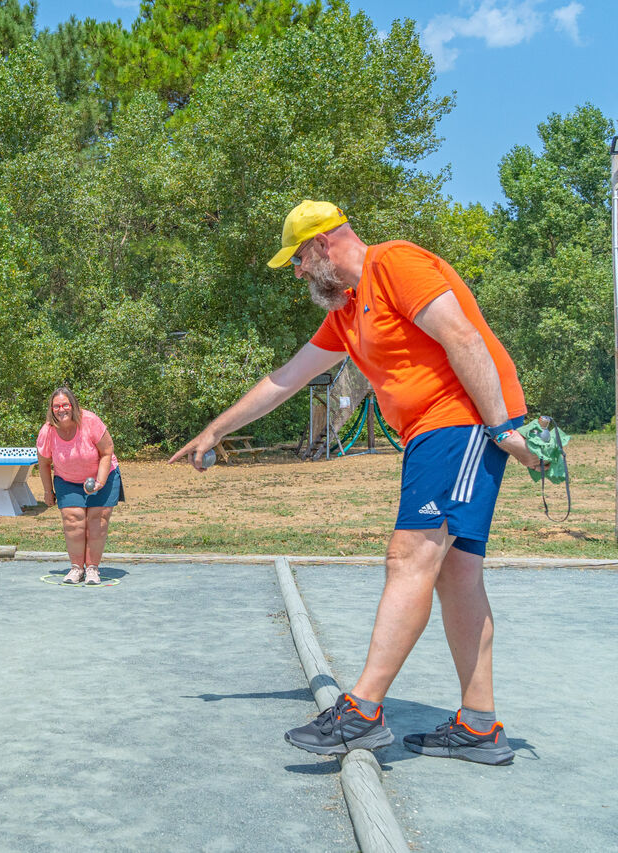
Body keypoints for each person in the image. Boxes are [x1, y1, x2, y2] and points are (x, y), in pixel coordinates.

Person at [169, 201, 539, 766]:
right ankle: (479, 725)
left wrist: (502, 428)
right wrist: (214, 430)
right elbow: (286, 378)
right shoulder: (346, 310)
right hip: (434, 433)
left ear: (322, 244)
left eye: (297, 258)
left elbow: (464, 338)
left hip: (461, 422)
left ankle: (362, 712)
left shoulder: (395, 264)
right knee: (456, 574)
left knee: (409, 557)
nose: (296, 271)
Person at [37, 387, 124, 585]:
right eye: (56, 406)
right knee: (73, 521)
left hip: (102, 475)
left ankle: (92, 568)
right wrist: (48, 491)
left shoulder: (90, 421)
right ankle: (77, 568)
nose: (61, 410)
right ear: (51, 409)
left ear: (73, 405)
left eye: (65, 405)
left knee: (97, 522)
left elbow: (107, 451)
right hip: (67, 480)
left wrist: (100, 482)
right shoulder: (47, 431)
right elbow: (44, 463)